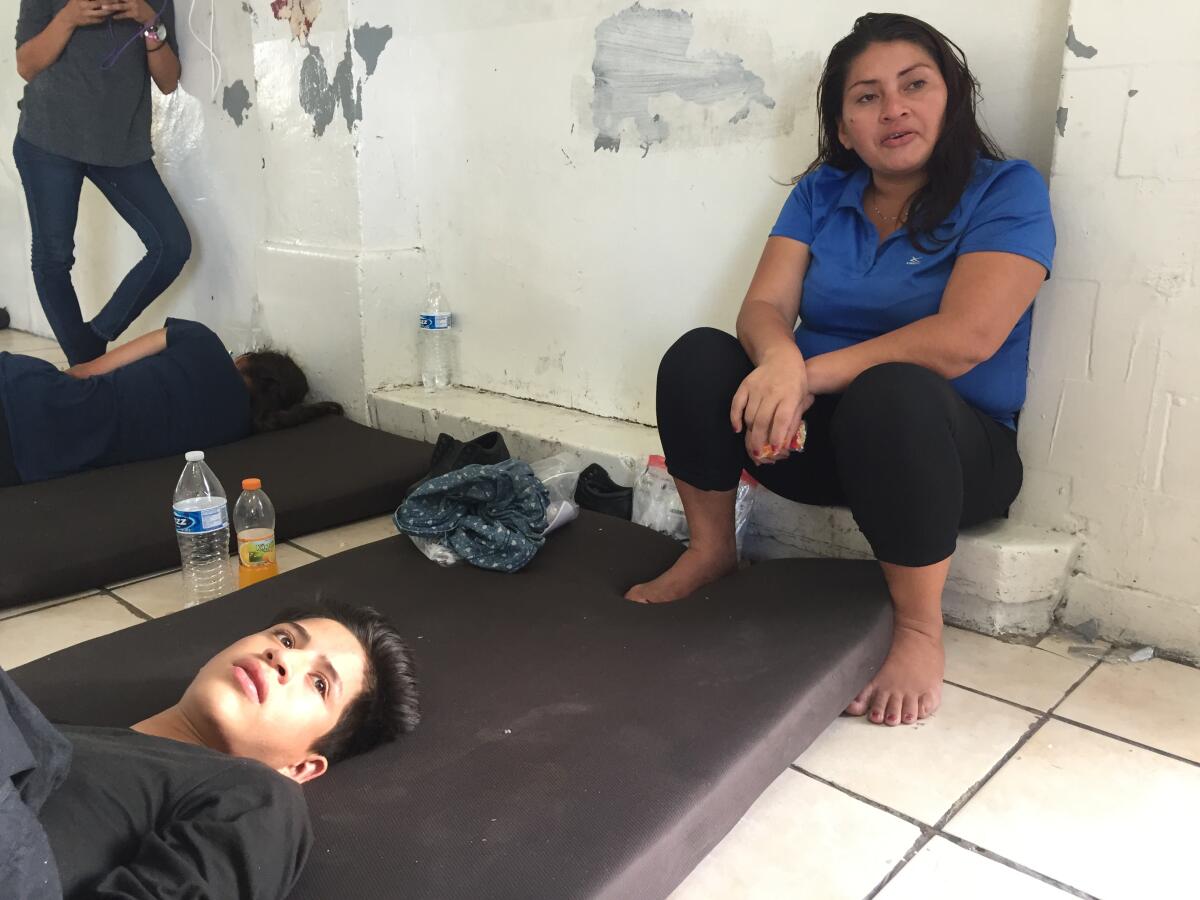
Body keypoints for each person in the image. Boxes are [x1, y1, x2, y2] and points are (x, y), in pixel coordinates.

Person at [626, 13, 1055, 729]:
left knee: (895, 392)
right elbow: (763, 304)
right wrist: (780, 358)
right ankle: (710, 553)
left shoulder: (1006, 190)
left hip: (947, 459)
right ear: (843, 124)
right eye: (866, 96)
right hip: (818, 447)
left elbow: (965, 340)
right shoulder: (822, 192)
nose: (893, 109)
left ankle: (919, 630)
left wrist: (805, 376)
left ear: (951, 98)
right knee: (699, 358)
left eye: (914, 85)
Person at [1, 600, 421, 899]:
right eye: (287, 639)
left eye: (320, 683)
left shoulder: (261, 796)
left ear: (302, 767)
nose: (282, 658)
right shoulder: (60, 734)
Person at [14, 0, 190, 367]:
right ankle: (87, 368)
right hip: (49, 138)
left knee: (171, 245)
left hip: (121, 144)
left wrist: (147, 20)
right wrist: (68, 17)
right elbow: (26, 65)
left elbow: (169, 82)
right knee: (53, 258)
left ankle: (90, 348)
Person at [0, 317, 342, 486]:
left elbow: (84, 372)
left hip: (22, 394)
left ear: (247, 360)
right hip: (27, 465)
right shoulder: (236, 430)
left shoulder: (201, 340)